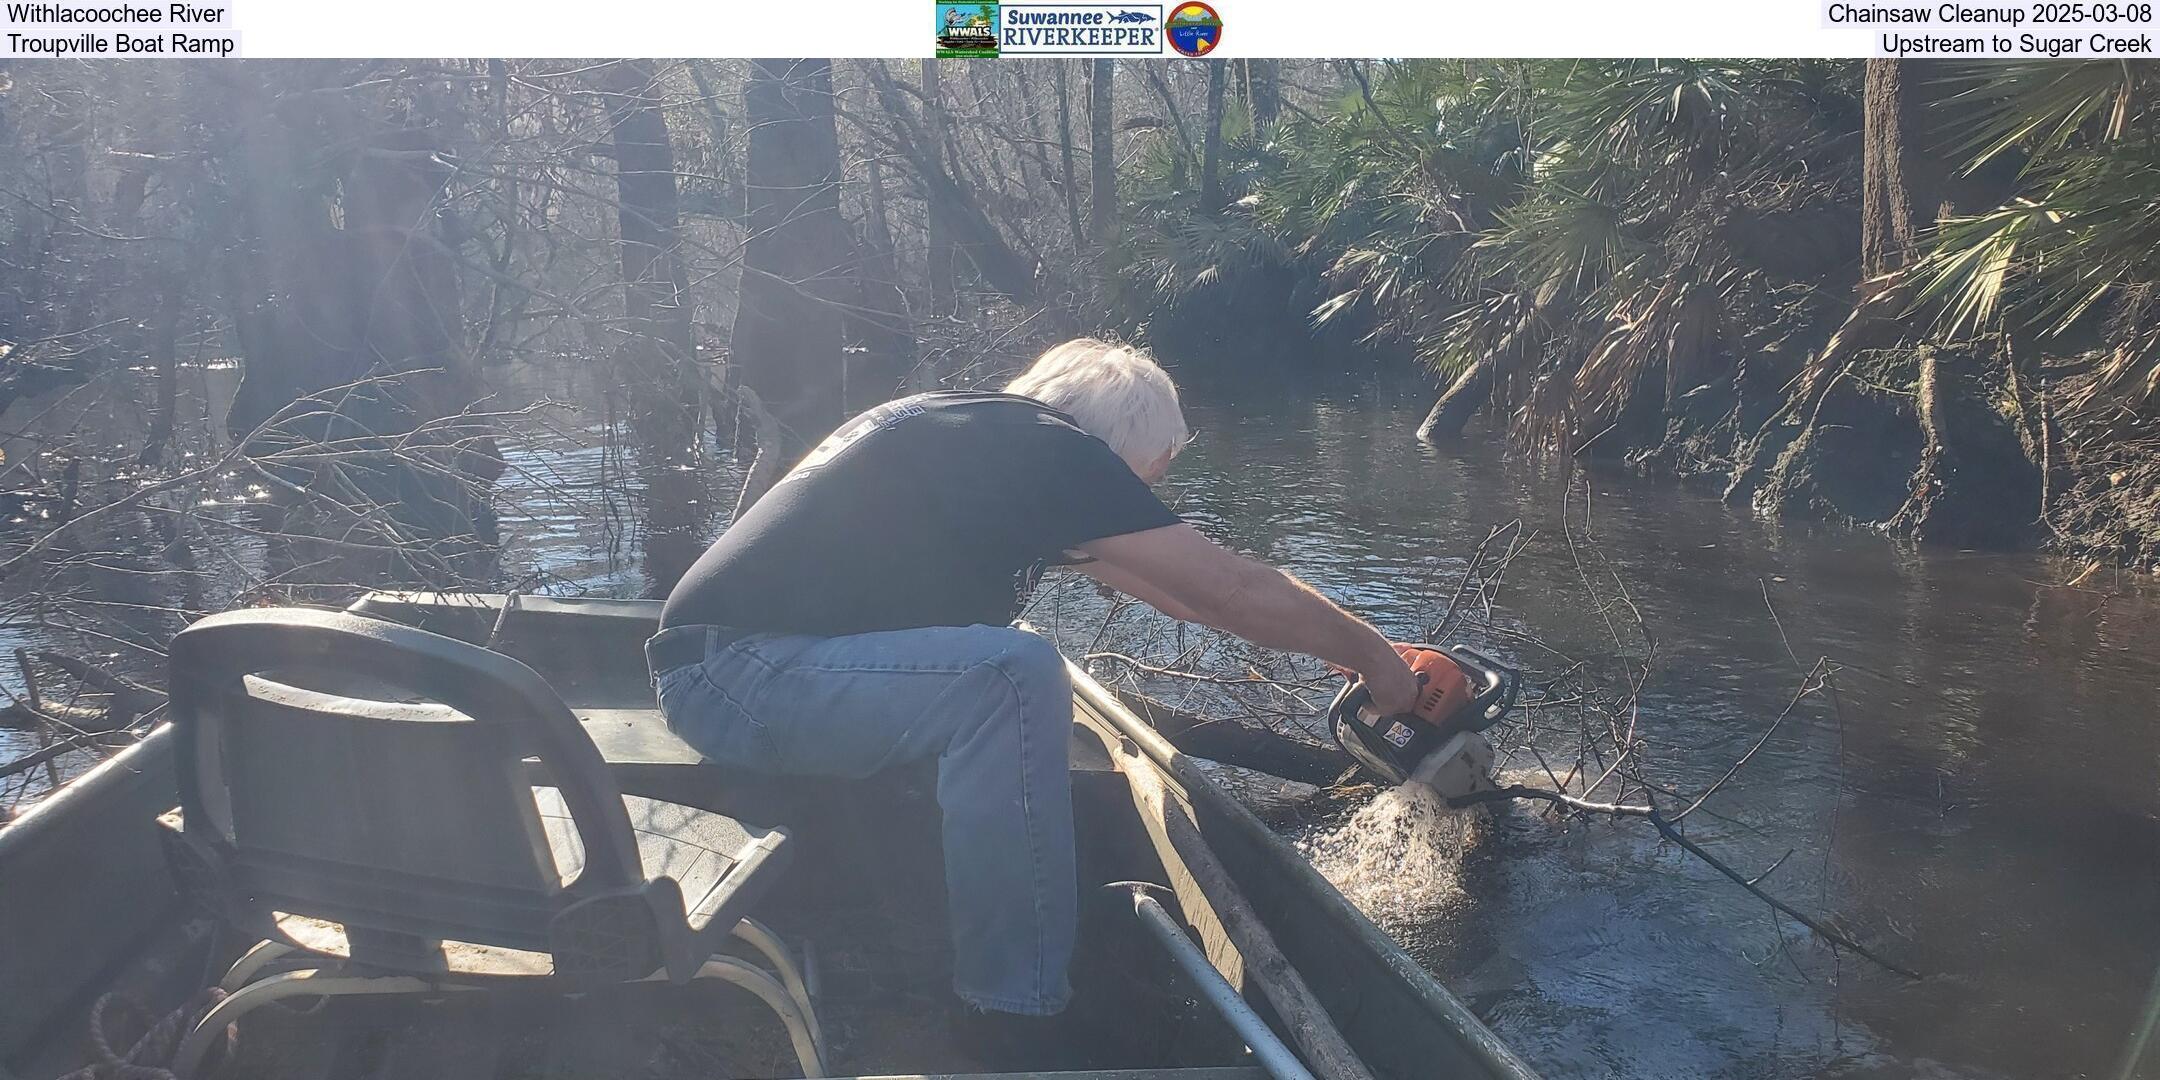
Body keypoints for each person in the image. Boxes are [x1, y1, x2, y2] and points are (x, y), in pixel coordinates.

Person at [647, 338, 1419, 1019]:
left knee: (1005, 663)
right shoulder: (1047, 449)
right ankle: (1013, 999)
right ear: (1115, 441)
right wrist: (1383, 662)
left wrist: (1347, 646)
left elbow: (1188, 595)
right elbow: (1229, 589)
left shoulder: (984, 439)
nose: (1146, 498)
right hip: (737, 678)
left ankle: (975, 947)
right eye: (1148, 477)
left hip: (745, 674)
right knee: (1013, 674)